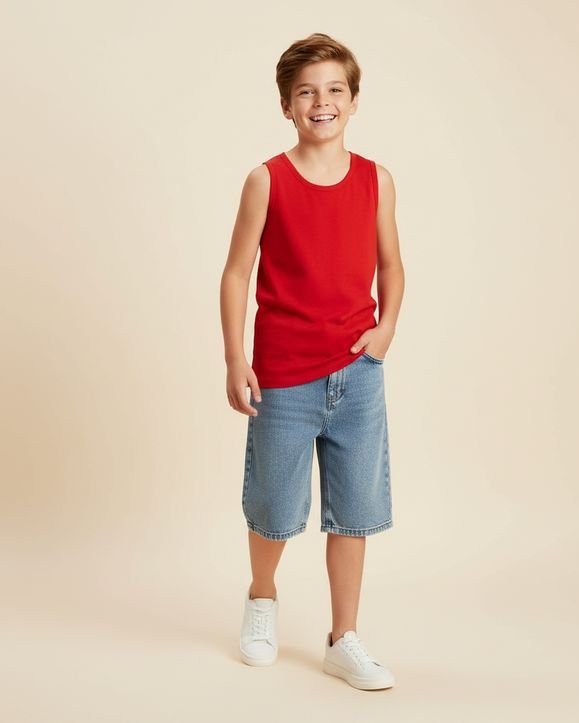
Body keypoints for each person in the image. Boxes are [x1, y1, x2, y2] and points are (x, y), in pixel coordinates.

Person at [220, 32, 405, 690]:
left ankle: (342, 637)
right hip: (284, 374)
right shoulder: (266, 180)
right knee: (274, 503)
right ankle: (262, 597)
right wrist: (235, 357)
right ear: (286, 105)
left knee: (354, 509)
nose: (321, 102)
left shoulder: (376, 180)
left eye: (334, 90)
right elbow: (237, 273)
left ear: (353, 101)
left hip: (357, 375)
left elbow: (392, 264)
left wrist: (385, 329)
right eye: (306, 92)